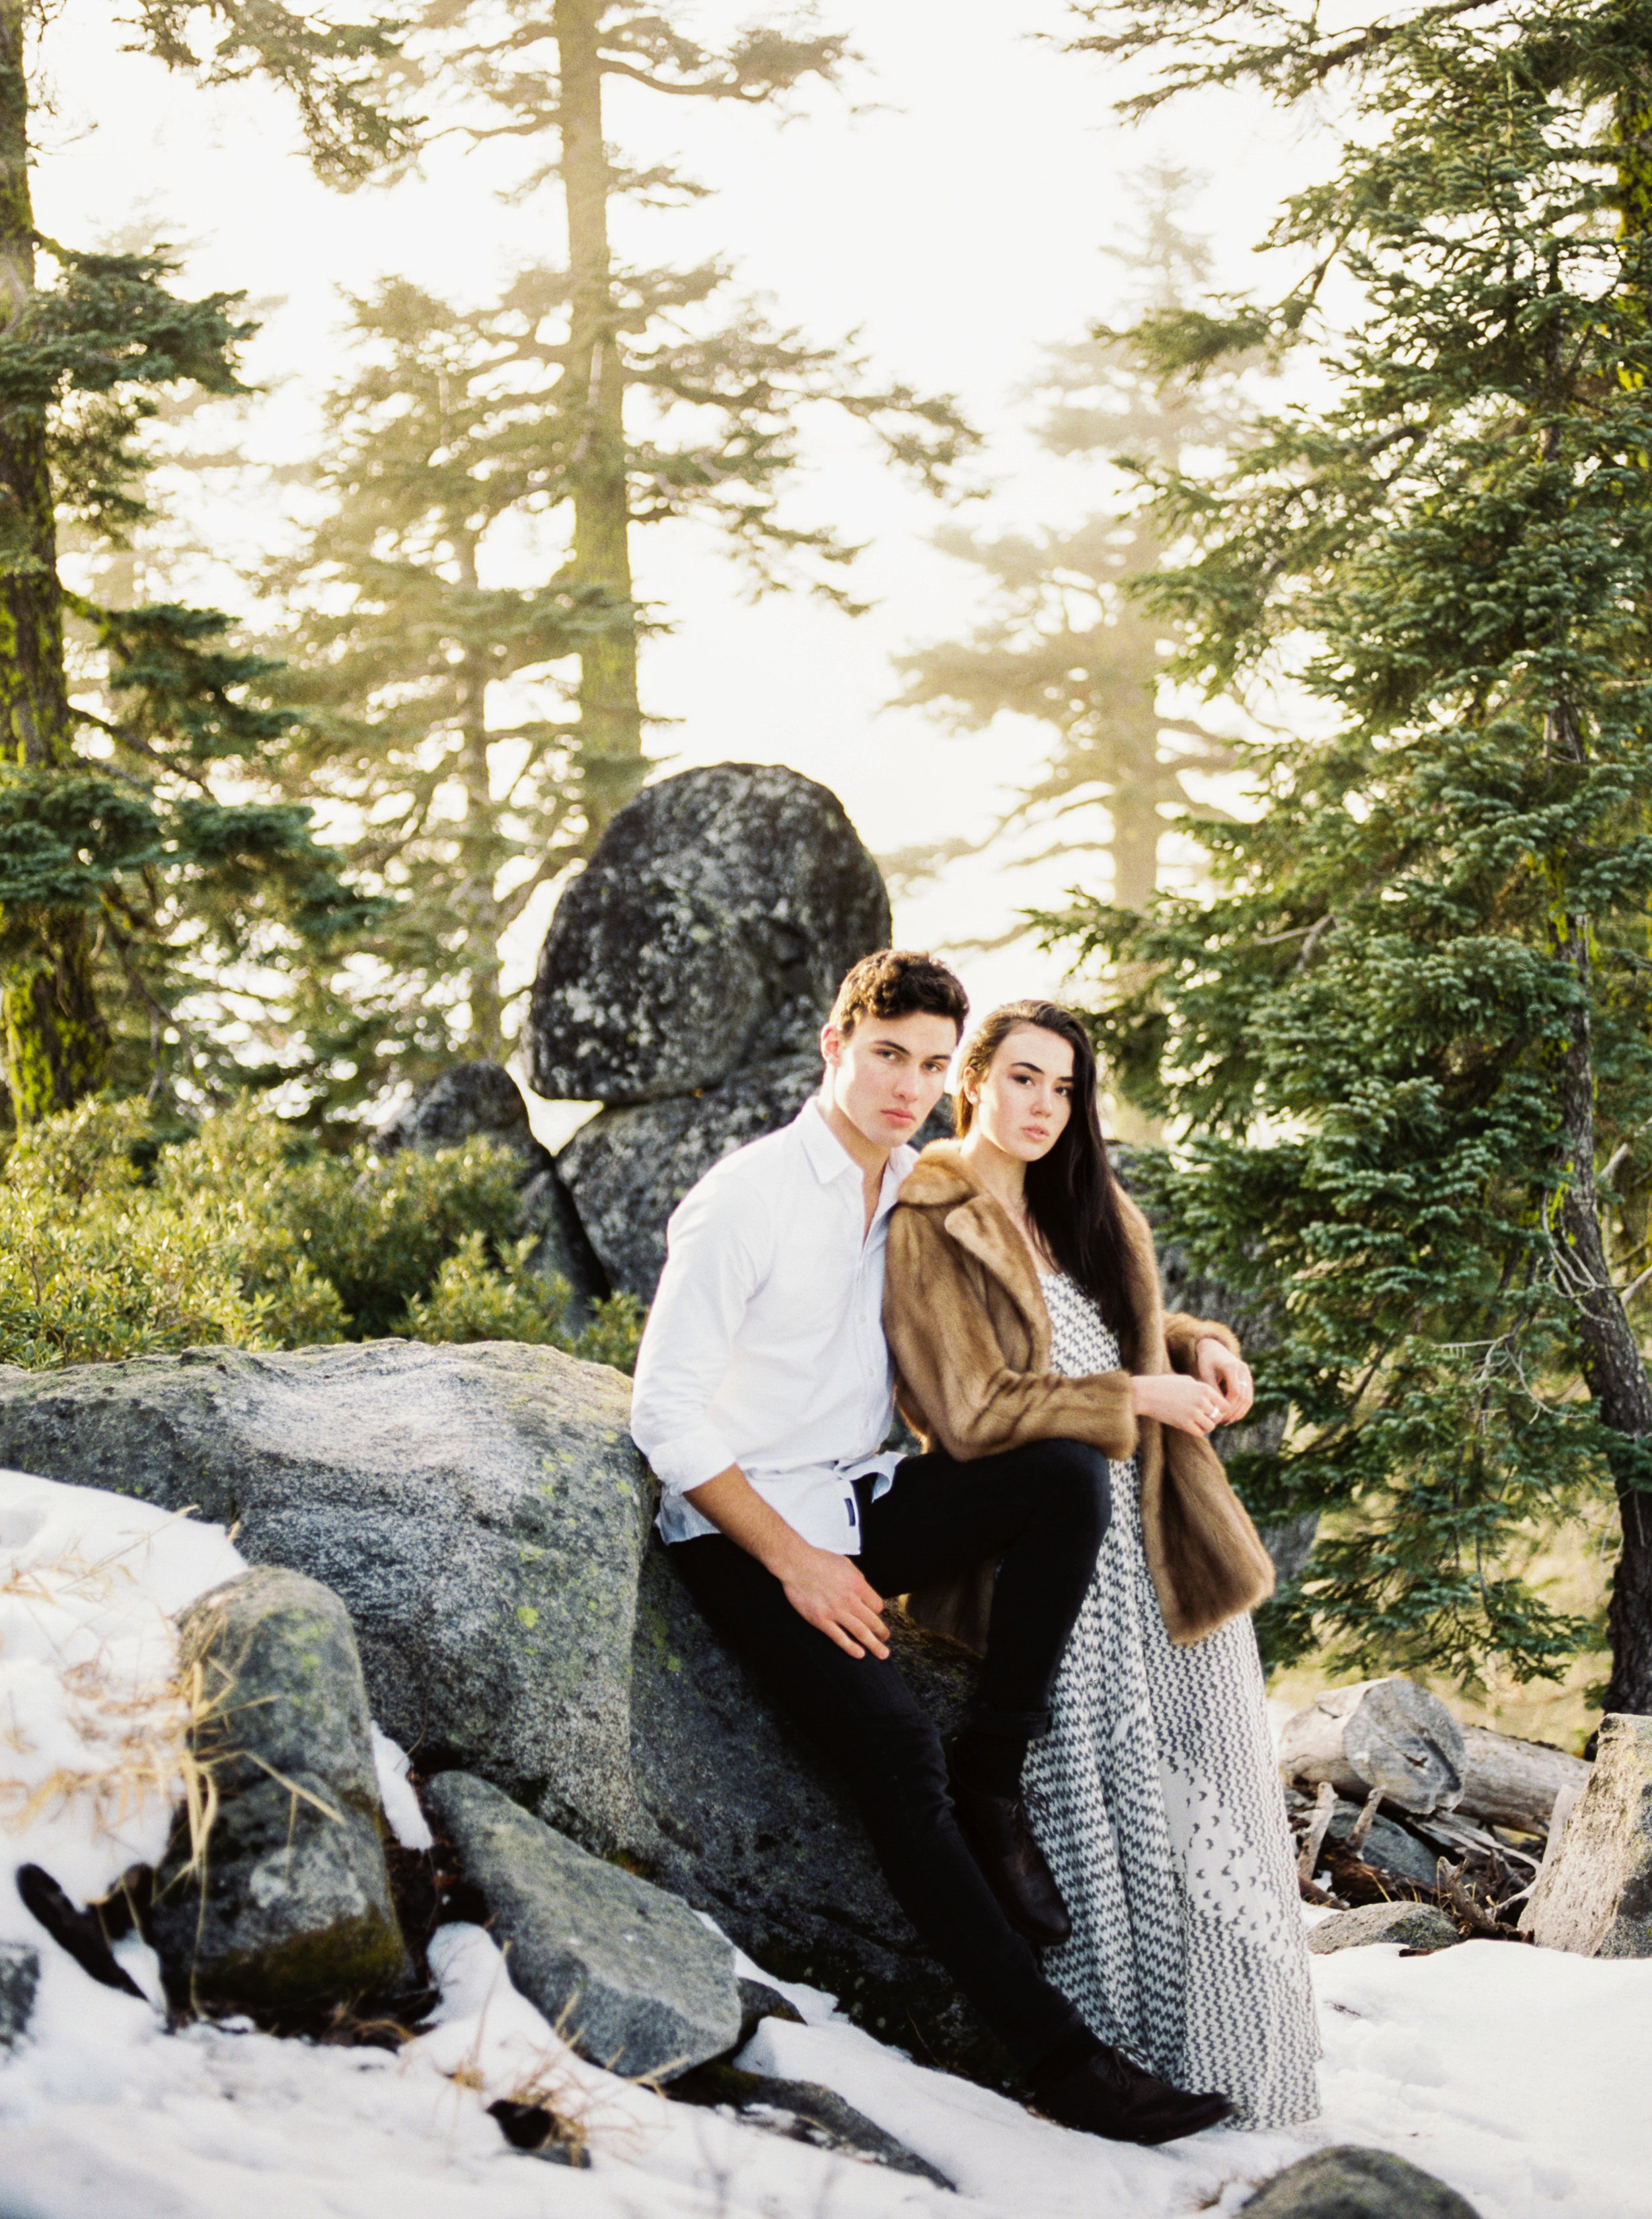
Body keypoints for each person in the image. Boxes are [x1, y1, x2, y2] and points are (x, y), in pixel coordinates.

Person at [630, 950, 1234, 2144]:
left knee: (1065, 1474)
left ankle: (995, 1768)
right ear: (835, 1047)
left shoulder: (916, 1188)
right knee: (897, 1747)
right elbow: (665, 1412)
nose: (908, 1084)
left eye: (928, 1062)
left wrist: (1185, 1342)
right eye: (886, 1055)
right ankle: (1062, 2064)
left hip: (866, 1502)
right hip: (746, 1528)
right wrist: (797, 1565)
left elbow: (1039, 1310)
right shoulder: (746, 1198)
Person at [883, 998, 1321, 2130]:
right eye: (1022, 1078)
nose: (1043, 1106)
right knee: (1107, 1814)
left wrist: (1203, 1350)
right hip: (1066, 1563)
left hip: (1164, 1543)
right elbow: (971, 1410)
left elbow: (1122, 1334)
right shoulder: (935, 1211)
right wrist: (1137, 1395)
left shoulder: (1083, 1207)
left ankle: (1247, 2060)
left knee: (1214, 1792)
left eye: (1064, 1087)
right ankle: (1121, 2063)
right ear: (969, 1079)